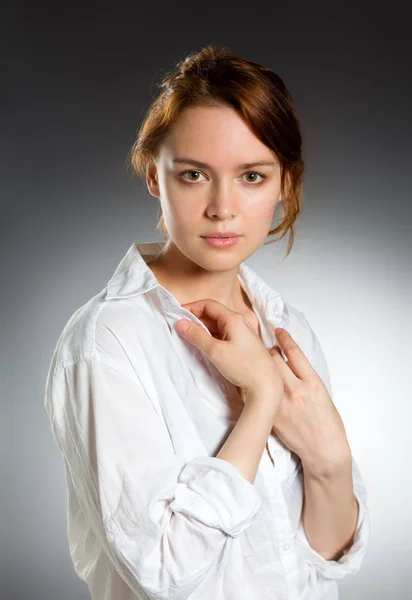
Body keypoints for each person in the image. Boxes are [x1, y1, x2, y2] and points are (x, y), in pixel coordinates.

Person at [44, 44, 370, 600]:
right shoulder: (108, 340)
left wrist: (331, 461)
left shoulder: (288, 329)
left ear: (285, 182)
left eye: (251, 176)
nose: (223, 207)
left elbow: (325, 556)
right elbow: (166, 573)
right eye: (194, 174)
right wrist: (261, 400)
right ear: (154, 177)